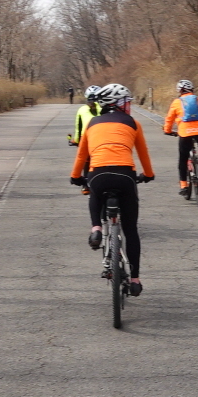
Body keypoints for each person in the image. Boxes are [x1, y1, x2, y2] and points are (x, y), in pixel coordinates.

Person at [69, 83, 154, 295]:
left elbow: (82, 155)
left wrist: (75, 176)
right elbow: (143, 153)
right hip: (125, 175)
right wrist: (148, 174)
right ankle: (135, 280)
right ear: (118, 103)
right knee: (130, 230)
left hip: (98, 174)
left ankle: (96, 228)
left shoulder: (92, 124)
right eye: (127, 101)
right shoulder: (133, 123)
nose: (129, 105)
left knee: (94, 191)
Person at [162, 78, 198, 197]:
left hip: (185, 132)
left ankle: (184, 186)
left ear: (180, 90)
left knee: (183, 158)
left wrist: (167, 131)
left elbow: (169, 119)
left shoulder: (177, 102)